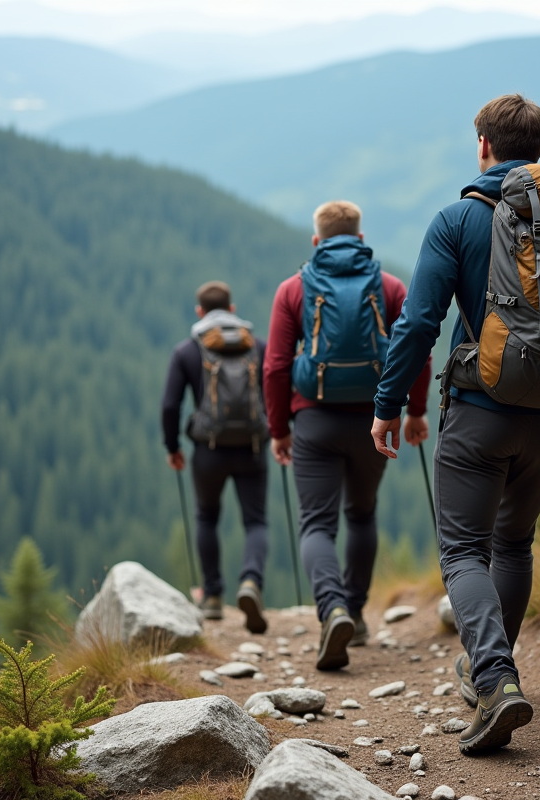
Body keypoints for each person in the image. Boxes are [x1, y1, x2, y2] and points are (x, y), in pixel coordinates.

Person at [370, 94, 540, 754]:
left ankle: (494, 680)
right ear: (539, 152)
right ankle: (487, 673)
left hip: (478, 415)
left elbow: (419, 323)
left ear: (484, 147)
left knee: (465, 550)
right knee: (514, 543)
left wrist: (386, 404)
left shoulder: (458, 219)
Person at [264, 200, 432, 671]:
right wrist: (414, 412)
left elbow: (276, 366)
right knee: (362, 514)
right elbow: (416, 350)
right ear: (360, 238)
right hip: (374, 420)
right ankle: (355, 614)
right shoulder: (389, 285)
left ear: (317, 241)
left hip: (313, 420)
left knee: (317, 523)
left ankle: (331, 609)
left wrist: (279, 429)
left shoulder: (293, 289)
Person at [162, 280, 270, 634]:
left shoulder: (187, 351)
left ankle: (211, 598)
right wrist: (279, 433)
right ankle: (251, 582)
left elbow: (170, 405)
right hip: (253, 448)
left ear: (199, 312)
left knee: (206, 517)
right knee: (255, 521)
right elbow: (274, 392)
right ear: (232, 309)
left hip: (207, 451)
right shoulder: (257, 347)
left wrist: (173, 447)